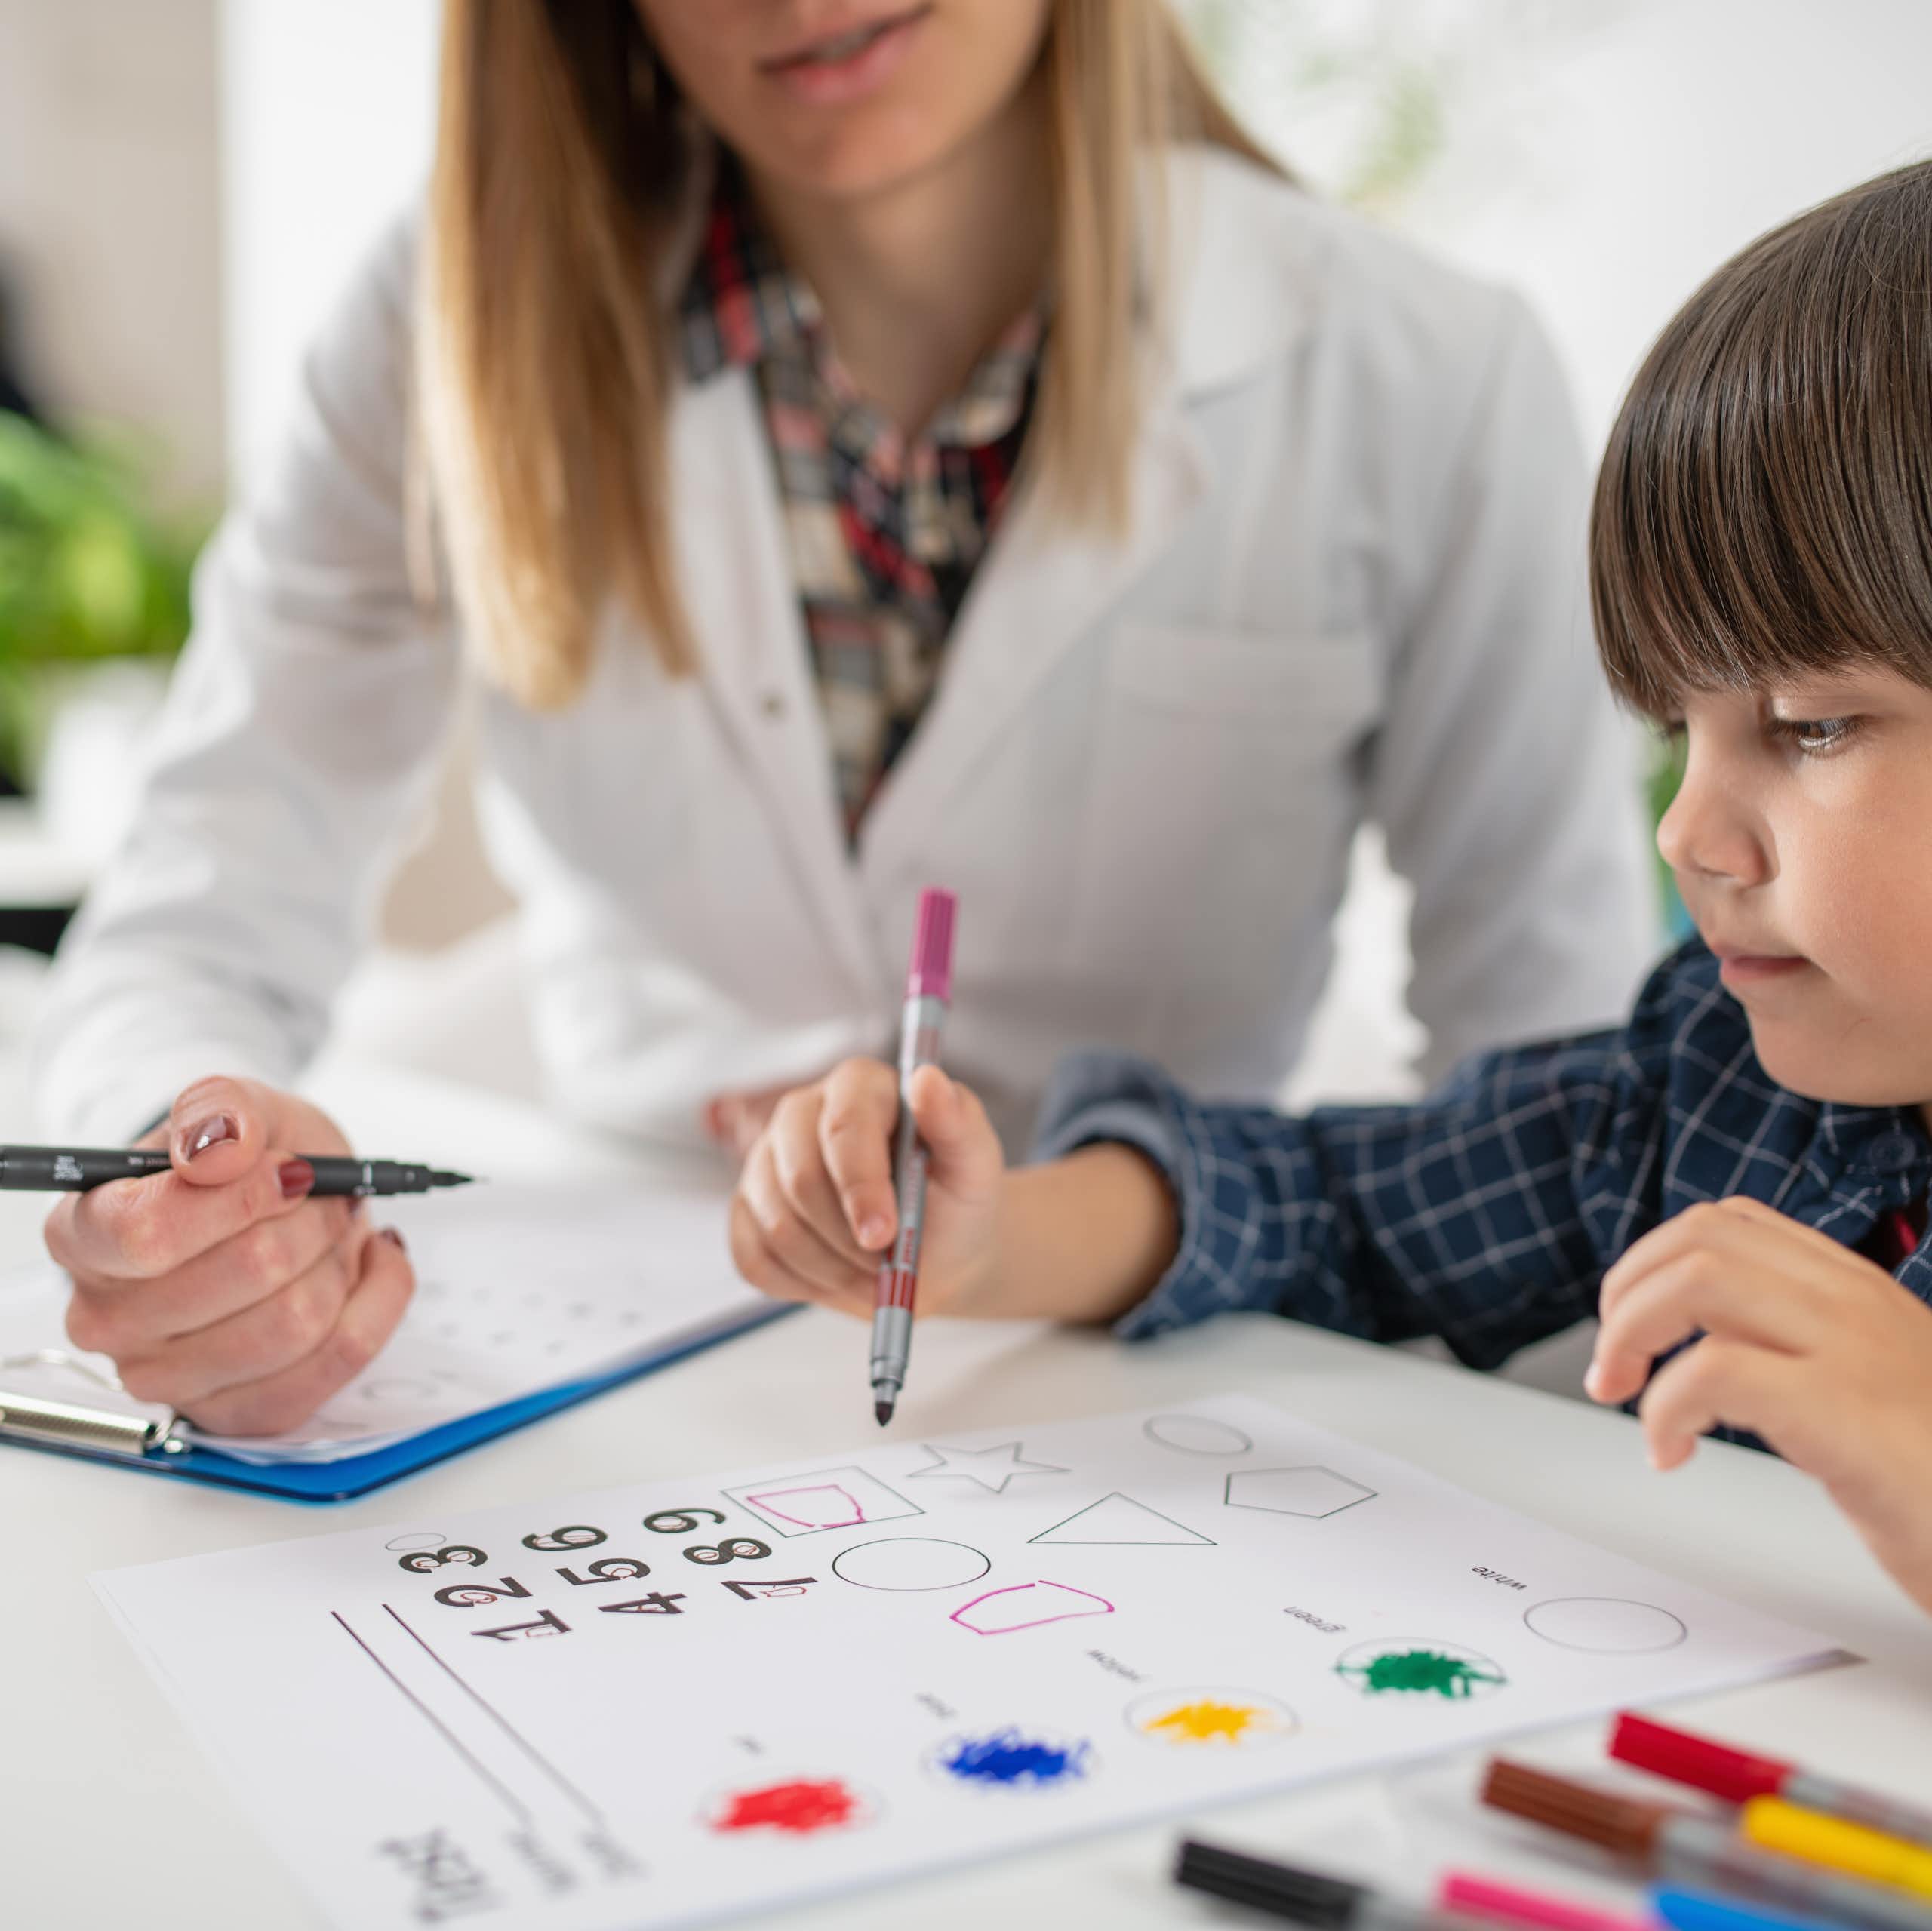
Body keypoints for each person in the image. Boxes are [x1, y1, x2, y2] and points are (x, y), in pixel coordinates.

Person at [34, 0, 1650, 1437]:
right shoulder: (443, 319)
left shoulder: (1422, 373)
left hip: (1151, 1381)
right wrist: (188, 1187)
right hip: (595, 1375)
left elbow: (1559, 1108)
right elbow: (193, 912)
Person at [728, 161, 1932, 1617]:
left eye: (1811, 727)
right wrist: (988, 1237)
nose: (1688, 834)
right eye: (1681, 732)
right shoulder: (1711, 1071)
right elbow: (1331, 1208)